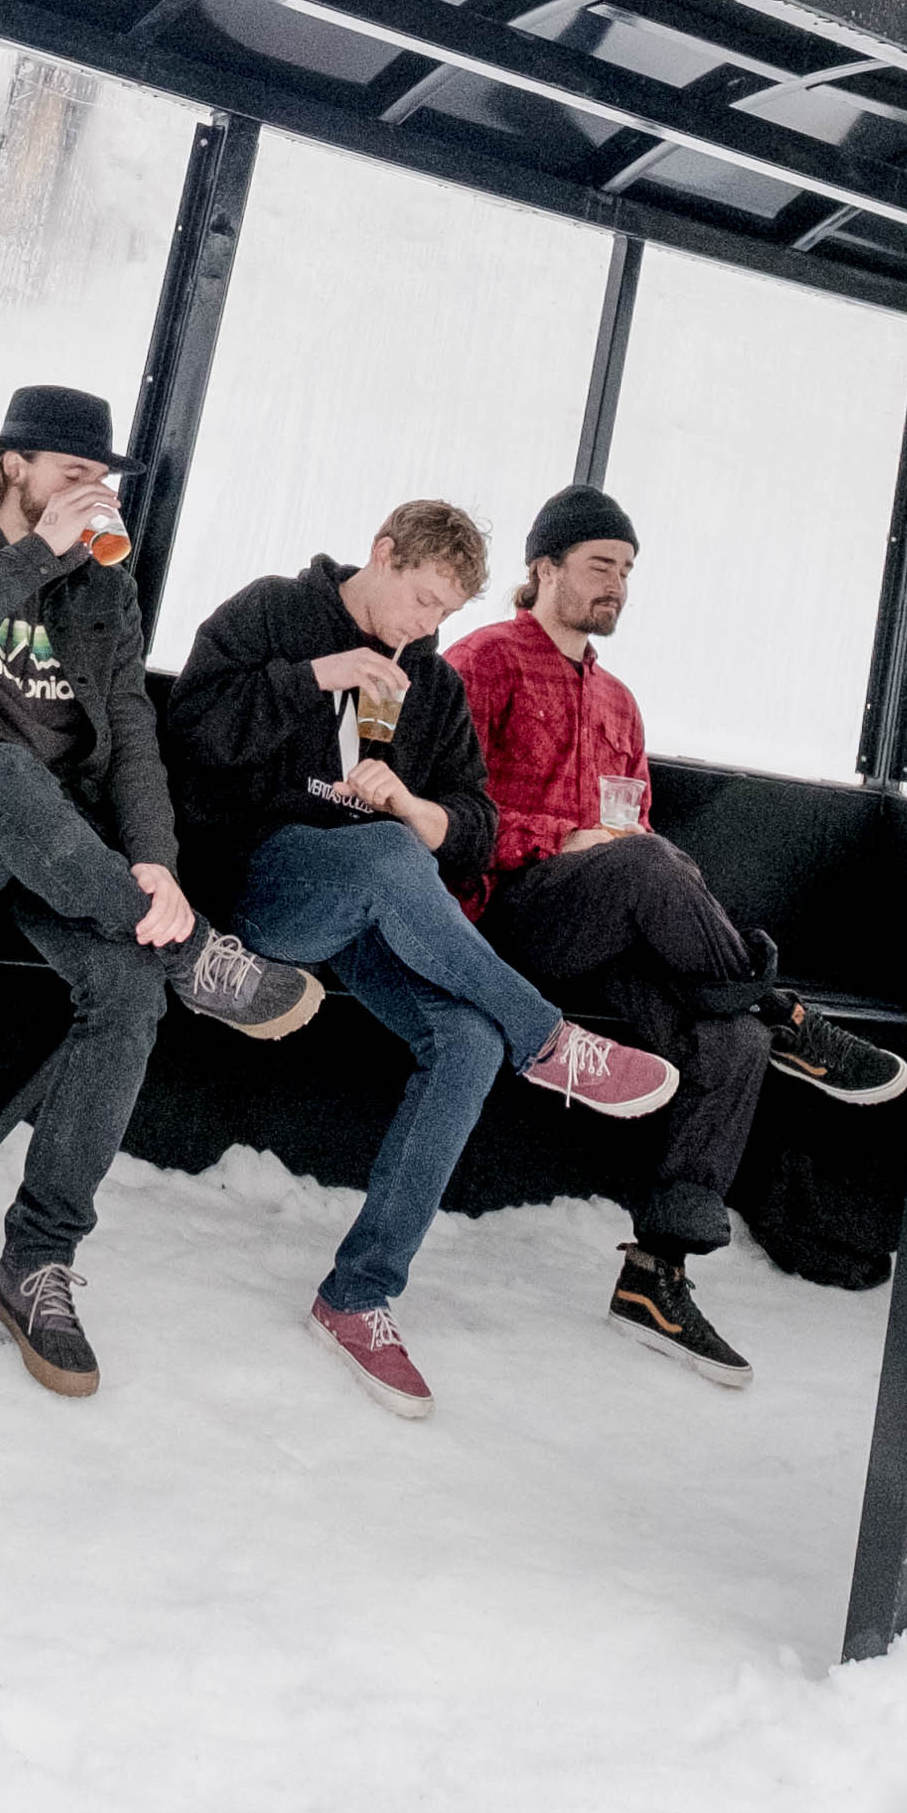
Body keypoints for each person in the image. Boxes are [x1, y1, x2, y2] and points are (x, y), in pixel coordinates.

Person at [0, 383, 324, 1402]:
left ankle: (34, 1262)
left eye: (102, 479)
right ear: (12, 465)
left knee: (126, 987)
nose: (93, 493)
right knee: (2, 777)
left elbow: (130, 732)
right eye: (74, 474)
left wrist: (157, 864)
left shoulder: (103, 590)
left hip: (61, 855)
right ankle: (198, 955)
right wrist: (37, 549)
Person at [163, 501, 683, 1421]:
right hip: (256, 886)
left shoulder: (431, 683)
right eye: (420, 599)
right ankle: (551, 1041)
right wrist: (313, 677)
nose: (425, 624)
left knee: (467, 1038)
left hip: (375, 904)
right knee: (390, 865)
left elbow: (472, 829)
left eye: (446, 611)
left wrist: (413, 805)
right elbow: (189, 733)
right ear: (383, 555)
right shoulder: (277, 612)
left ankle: (359, 1294)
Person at [446, 487, 907, 1391]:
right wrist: (562, 839)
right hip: (508, 915)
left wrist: (622, 856)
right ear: (543, 568)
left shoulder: (619, 702)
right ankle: (783, 1011)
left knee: (726, 1037)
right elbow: (450, 814)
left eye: (626, 571)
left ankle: (656, 1276)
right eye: (598, 566)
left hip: (611, 923)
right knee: (650, 864)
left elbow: (637, 831)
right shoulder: (484, 661)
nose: (616, 585)